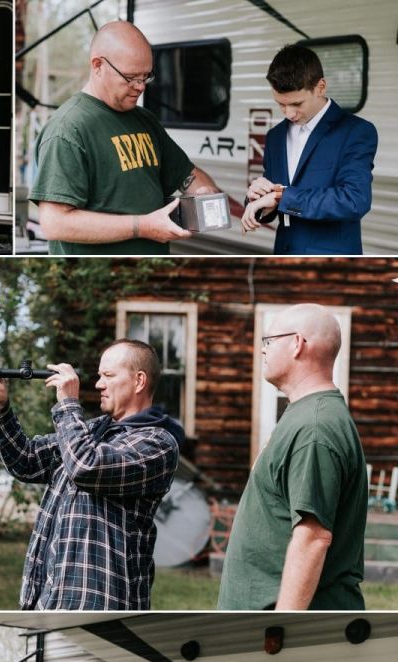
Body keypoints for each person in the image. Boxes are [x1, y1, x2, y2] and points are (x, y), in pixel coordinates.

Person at [0, 339, 184, 610]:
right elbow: (27, 460)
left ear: (139, 381)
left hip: (101, 605)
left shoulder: (157, 444)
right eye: (98, 376)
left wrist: (68, 403)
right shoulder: (89, 431)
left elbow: (86, 466)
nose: (98, 384)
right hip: (50, 600)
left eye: (108, 376)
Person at [218, 304, 367, 611]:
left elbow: (313, 538)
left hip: (280, 633)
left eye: (269, 341)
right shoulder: (306, 415)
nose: (263, 350)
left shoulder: (315, 427)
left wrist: (281, 626)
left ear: (297, 343)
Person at [29, 20, 219, 255]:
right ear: (98, 65)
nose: (140, 87)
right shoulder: (68, 128)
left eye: (146, 77)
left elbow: (187, 174)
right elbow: (54, 223)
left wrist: (204, 192)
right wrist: (143, 227)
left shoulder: (145, 120)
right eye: (131, 77)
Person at [241, 45, 378, 254]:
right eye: (281, 104)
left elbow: (354, 200)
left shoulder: (356, 131)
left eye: (297, 104)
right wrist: (260, 200)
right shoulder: (275, 136)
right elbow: (275, 198)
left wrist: (280, 196)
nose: (289, 114)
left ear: (320, 87)